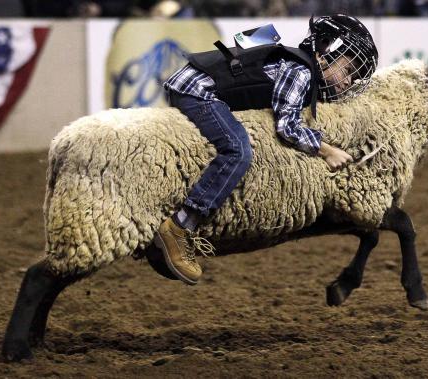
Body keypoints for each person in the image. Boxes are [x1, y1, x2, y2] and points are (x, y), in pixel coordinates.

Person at [158, 14, 378, 285]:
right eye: (347, 71)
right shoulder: (300, 71)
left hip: (196, 83)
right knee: (238, 151)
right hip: (196, 91)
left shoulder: (293, 61)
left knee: (239, 141)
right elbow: (287, 127)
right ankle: (180, 226)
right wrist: (326, 150)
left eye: (353, 78)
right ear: (325, 51)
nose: (347, 83)